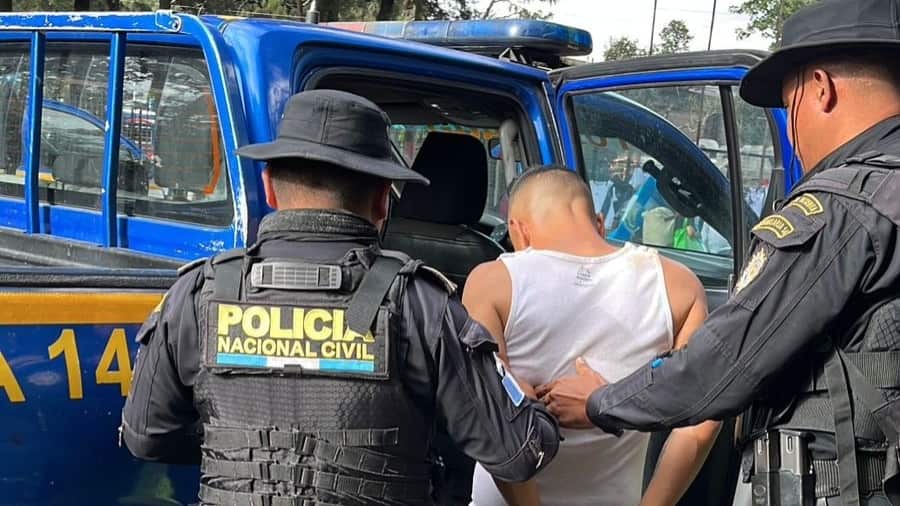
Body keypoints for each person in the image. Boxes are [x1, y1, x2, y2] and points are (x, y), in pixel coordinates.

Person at [537, 1, 900, 504]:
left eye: (788, 103)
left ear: (821, 87)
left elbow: (723, 363)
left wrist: (599, 402)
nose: (792, 135)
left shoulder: (841, 207)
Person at [120, 90, 559, 506]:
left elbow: (145, 435)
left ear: (271, 188)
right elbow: (520, 453)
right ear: (384, 201)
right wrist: (539, 410)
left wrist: (239, 443)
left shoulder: (198, 294)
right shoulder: (421, 305)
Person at [464, 167, 720, 506]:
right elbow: (701, 417)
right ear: (599, 223)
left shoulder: (491, 283)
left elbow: (492, 419)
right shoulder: (678, 287)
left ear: (517, 231)